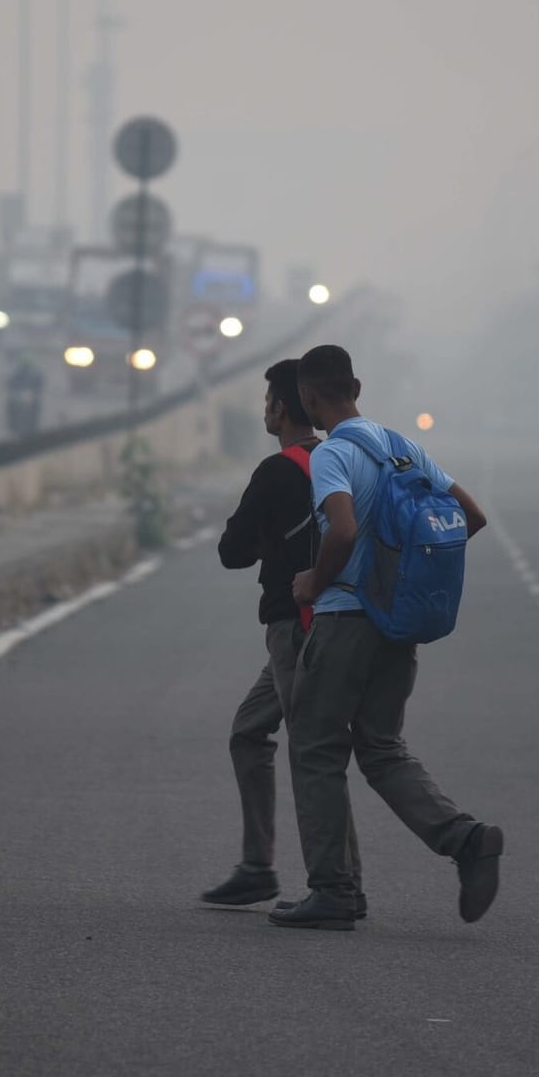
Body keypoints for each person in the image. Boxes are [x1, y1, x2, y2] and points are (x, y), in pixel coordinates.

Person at [271, 343, 503, 931]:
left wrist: (312, 582)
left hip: (346, 620)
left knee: (316, 748)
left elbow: (342, 530)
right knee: (381, 747)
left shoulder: (333, 456)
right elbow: (469, 517)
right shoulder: (404, 447)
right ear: (358, 385)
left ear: (309, 397)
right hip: (397, 627)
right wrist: (402, 578)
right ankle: (467, 839)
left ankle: (334, 891)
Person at [200, 361, 363, 912]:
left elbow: (232, 552)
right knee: (249, 732)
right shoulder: (337, 461)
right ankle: (258, 865)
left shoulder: (276, 473)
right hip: (335, 622)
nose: (263, 409)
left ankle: (339, 884)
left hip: (295, 630)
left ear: (280, 408)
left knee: (315, 755)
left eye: (268, 400)